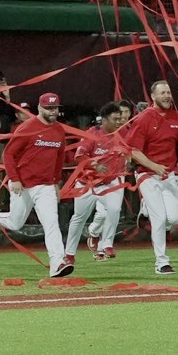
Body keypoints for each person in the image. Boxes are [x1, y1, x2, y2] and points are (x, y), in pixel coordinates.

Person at [0, 92, 72, 278]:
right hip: (23, 184)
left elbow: (59, 159)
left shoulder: (59, 130)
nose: (52, 111)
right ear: (39, 108)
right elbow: (8, 154)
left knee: (51, 224)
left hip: (46, 186)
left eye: (55, 108)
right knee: (16, 223)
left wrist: (56, 183)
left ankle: (57, 263)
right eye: (48, 108)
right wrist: (14, 178)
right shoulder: (27, 127)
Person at [122, 79, 178, 275]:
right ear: (153, 96)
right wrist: (153, 166)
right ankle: (162, 262)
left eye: (168, 92)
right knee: (159, 218)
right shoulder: (144, 119)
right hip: (147, 174)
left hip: (169, 176)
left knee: (176, 217)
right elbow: (133, 150)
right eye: (163, 93)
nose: (167, 96)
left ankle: (146, 210)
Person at [65, 102, 132, 263]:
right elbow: (79, 156)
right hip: (88, 182)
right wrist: (94, 164)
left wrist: (128, 160)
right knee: (79, 217)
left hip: (111, 181)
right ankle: (69, 254)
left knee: (115, 209)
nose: (118, 122)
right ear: (103, 119)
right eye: (115, 119)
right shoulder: (92, 134)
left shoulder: (124, 132)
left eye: (119, 119)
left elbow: (131, 149)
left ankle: (107, 243)